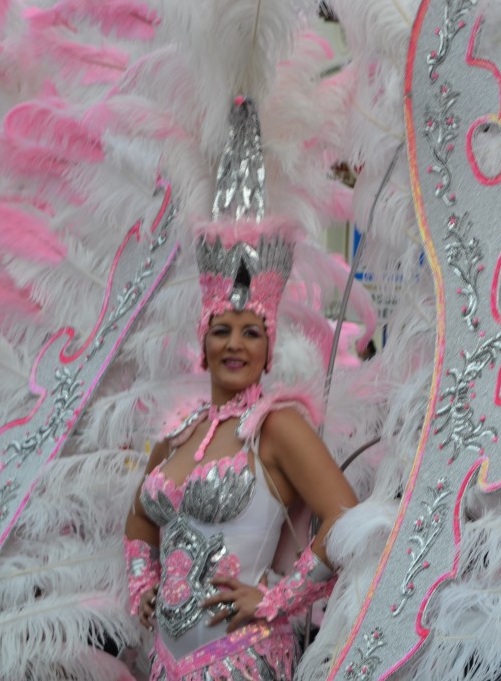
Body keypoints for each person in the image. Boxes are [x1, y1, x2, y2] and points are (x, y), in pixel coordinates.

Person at [122, 98, 358, 681]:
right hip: (165, 665)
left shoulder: (277, 427)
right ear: (202, 342)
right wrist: (142, 585)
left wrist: (274, 601)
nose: (235, 344)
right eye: (221, 330)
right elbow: (139, 523)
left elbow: (344, 517)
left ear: (268, 348)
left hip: (242, 662)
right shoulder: (179, 433)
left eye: (251, 332)